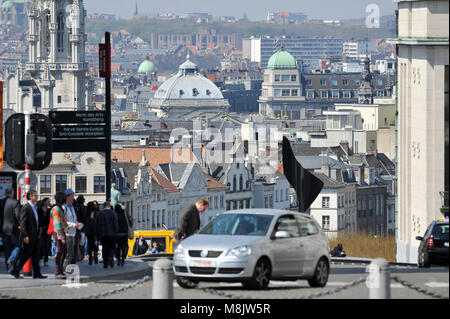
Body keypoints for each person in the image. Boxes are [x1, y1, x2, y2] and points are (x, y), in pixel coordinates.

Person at [10, 190, 47, 279]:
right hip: (29, 236)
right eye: (35, 195)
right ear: (30, 196)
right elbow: (22, 223)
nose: (37, 197)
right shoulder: (26, 208)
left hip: (35, 235)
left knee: (36, 255)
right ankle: (15, 270)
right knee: (25, 255)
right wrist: (25, 235)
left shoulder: (34, 207)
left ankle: (37, 273)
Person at [1, 188, 21, 273]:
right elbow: (18, 216)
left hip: (3, 229)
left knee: (7, 249)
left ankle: (9, 269)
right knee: (18, 245)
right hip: (13, 228)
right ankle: (11, 259)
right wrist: (20, 225)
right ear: (12, 194)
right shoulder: (15, 202)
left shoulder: (1, 202)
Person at [63, 189, 83, 268]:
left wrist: (78, 223)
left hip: (73, 232)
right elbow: (63, 221)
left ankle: (72, 268)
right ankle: (67, 269)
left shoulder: (71, 207)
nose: (73, 198)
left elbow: (74, 219)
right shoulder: (64, 207)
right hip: (68, 233)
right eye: (72, 196)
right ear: (67, 197)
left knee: (73, 253)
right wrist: (74, 225)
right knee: (69, 253)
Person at [51, 192, 69, 279]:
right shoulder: (56, 209)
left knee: (63, 251)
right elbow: (57, 223)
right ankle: (58, 272)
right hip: (59, 232)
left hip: (61, 231)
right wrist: (61, 236)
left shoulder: (59, 208)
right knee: (60, 251)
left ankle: (61, 271)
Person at [95, 201, 118, 269]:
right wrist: (116, 232)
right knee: (111, 247)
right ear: (109, 206)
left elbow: (97, 224)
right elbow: (115, 224)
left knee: (105, 248)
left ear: (104, 206)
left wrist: (97, 234)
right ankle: (110, 259)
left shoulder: (100, 213)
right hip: (112, 234)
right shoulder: (113, 213)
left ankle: (105, 262)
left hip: (103, 234)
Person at [37, 198, 51, 267]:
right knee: (41, 245)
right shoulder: (39, 209)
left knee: (47, 245)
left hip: (47, 229)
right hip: (41, 229)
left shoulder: (49, 210)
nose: (49, 203)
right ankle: (40, 258)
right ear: (44, 202)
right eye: (48, 201)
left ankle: (46, 260)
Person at [74, 195, 87, 261]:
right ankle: (80, 256)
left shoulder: (75, 207)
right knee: (81, 242)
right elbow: (84, 218)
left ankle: (78, 255)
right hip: (81, 226)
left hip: (77, 226)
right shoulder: (82, 207)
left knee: (78, 242)